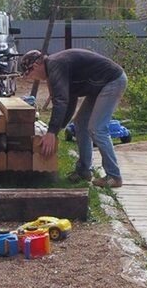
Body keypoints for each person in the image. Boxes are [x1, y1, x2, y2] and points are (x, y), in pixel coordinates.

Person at [17, 48, 127, 188]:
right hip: (100, 85)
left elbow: (61, 101)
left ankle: (114, 176)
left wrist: (51, 132)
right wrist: (56, 131)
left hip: (112, 81)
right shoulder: (55, 67)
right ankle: (83, 171)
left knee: (97, 128)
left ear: (36, 65)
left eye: (30, 74)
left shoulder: (55, 65)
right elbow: (69, 100)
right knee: (80, 123)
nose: (33, 78)